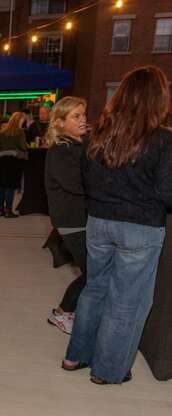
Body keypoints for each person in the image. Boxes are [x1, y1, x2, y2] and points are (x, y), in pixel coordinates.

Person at [63, 66, 172, 385]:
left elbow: (86, 179)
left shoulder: (98, 133)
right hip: (140, 227)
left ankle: (76, 355)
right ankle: (109, 370)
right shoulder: (163, 139)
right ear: (158, 99)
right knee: (128, 300)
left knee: (95, 289)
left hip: (98, 222)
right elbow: (167, 192)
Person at [43, 97, 88, 335]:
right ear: (60, 123)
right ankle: (62, 312)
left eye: (83, 115)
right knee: (94, 274)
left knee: (94, 273)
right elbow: (77, 184)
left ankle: (67, 311)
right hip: (73, 222)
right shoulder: (61, 151)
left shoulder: (78, 146)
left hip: (82, 220)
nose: (83, 120)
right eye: (76, 116)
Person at [0, 112, 27, 218]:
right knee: (10, 187)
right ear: (20, 120)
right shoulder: (20, 132)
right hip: (13, 162)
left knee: (2, 186)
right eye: (23, 120)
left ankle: (0, 210)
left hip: (2, 161)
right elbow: (23, 147)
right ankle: (9, 210)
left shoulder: (2, 131)